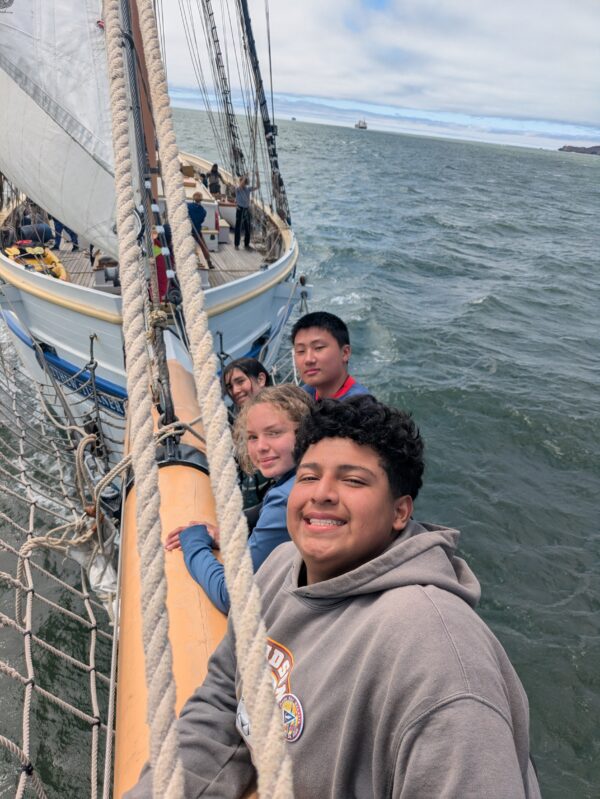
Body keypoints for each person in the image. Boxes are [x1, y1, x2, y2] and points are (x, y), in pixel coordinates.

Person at [127, 395, 541, 799]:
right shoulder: (280, 566)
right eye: (308, 477)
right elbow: (224, 701)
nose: (321, 493)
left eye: (353, 480)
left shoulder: (437, 655)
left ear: (400, 512)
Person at [163, 385, 312, 614]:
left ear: (305, 433)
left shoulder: (286, 498)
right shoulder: (300, 479)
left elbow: (233, 596)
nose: (261, 447)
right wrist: (226, 537)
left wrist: (194, 542)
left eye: (274, 433)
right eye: (252, 437)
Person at [291, 310, 369, 400]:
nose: (308, 359)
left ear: (345, 353)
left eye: (318, 347)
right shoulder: (303, 395)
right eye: (301, 351)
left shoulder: (360, 405)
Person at [186, 192, 214, 269]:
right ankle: (209, 262)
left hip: (187, 231)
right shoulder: (203, 211)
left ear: (193, 198)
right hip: (197, 232)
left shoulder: (187, 206)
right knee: (203, 246)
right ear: (201, 200)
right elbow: (201, 221)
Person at [234, 173, 259, 250]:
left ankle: (246, 243)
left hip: (246, 209)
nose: (244, 183)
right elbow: (241, 185)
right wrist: (245, 177)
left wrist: (257, 176)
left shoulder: (248, 189)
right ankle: (236, 244)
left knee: (247, 227)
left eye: (245, 182)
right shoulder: (238, 189)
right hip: (240, 209)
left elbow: (258, 186)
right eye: (244, 181)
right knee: (238, 227)